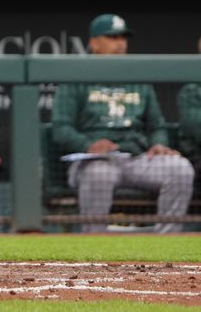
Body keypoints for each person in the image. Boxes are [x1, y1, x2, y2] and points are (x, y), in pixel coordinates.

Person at [51, 13, 195, 233]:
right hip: (94, 162)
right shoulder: (75, 76)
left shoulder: (137, 76)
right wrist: (88, 145)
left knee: (180, 168)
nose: (119, 43)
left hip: (137, 160)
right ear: (94, 43)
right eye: (112, 38)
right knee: (99, 173)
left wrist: (158, 144)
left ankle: (167, 241)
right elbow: (60, 128)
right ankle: (94, 242)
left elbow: (156, 125)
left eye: (122, 38)